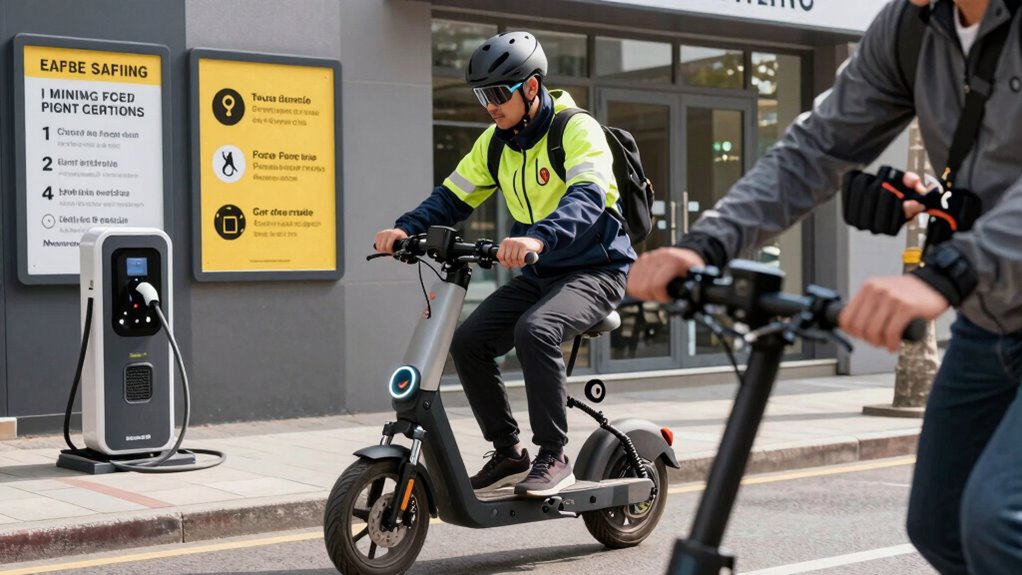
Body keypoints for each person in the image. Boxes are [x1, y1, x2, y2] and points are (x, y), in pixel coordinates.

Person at [627, 0, 1022, 573]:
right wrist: (704, 244)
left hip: (979, 285)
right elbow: (814, 150)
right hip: (989, 323)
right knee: (937, 522)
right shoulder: (910, 27)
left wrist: (953, 270)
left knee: (998, 519)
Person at [375, 32, 635, 497]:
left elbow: (588, 196)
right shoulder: (495, 144)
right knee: (469, 342)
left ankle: (553, 455)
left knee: (536, 330)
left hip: (597, 270)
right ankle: (510, 452)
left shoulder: (577, 129)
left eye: (498, 93)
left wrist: (538, 236)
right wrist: (405, 228)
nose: (490, 106)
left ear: (531, 87)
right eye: (482, 96)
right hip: (543, 272)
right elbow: (452, 197)